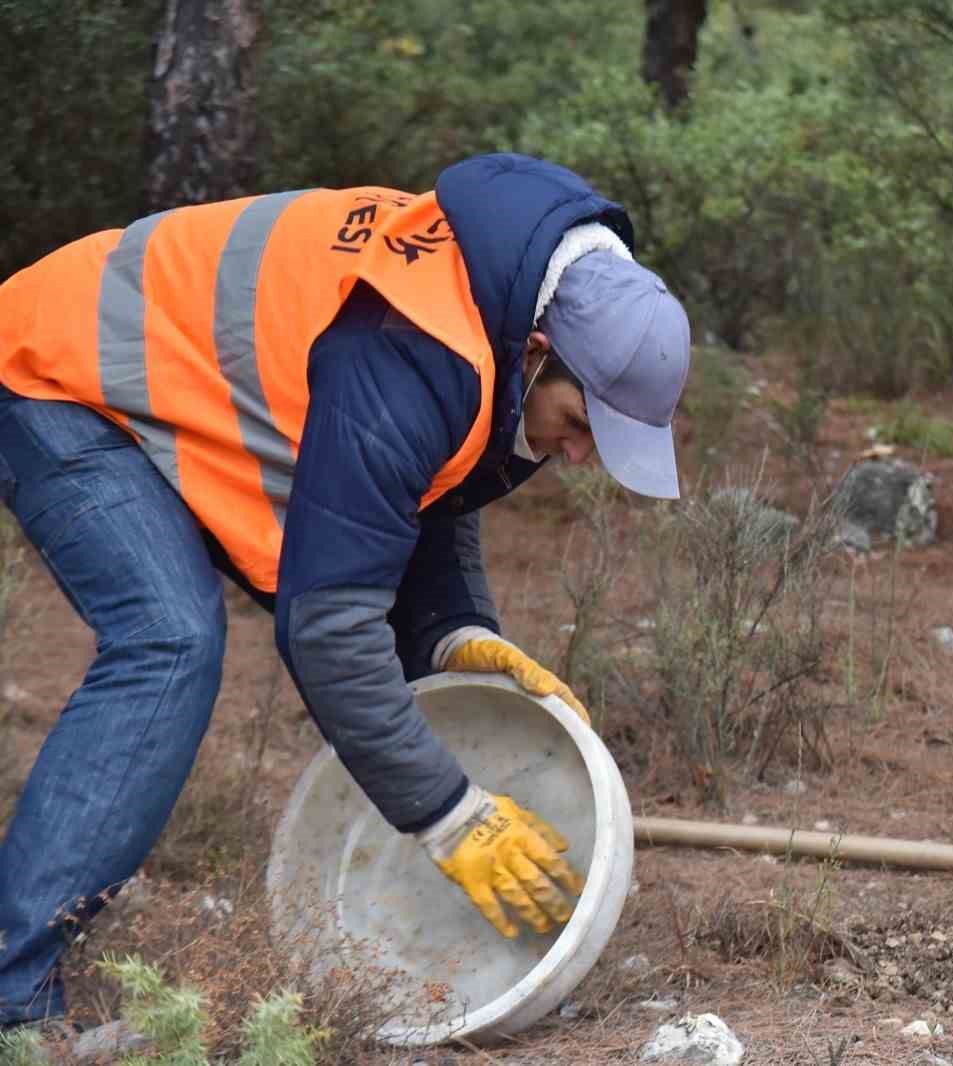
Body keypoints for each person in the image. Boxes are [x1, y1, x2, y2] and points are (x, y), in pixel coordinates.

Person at [0, 153, 691, 1028]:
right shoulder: (404, 351)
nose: (581, 457)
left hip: (157, 376)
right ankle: (10, 997)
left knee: (236, 640)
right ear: (540, 354)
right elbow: (327, 630)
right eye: (583, 425)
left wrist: (452, 630)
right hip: (59, 366)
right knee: (169, 641)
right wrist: (448, 815)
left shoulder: (497, 311)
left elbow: (432, 482)